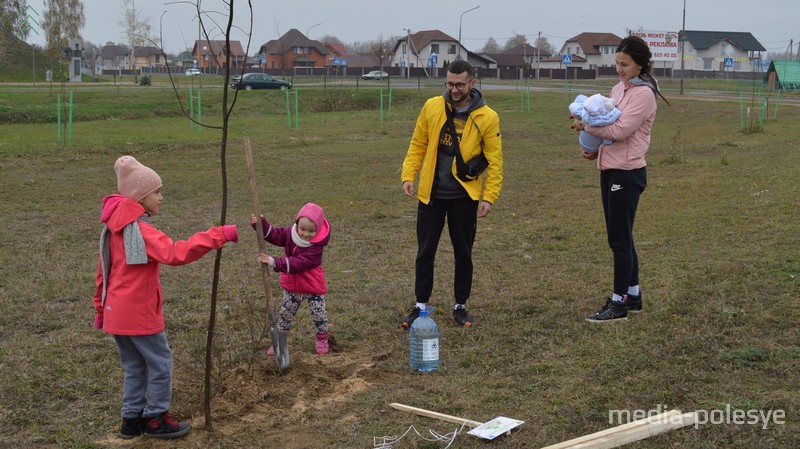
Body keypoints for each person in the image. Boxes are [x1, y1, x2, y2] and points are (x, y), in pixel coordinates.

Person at [92, 156, 239, 439]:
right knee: (160, 364)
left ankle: (131, 420)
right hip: (140, 315)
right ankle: (156, 418)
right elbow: (175, 253)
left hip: (115, 314)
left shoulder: (112, 230)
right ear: (141, 196)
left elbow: (104, 272)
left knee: (134, 367)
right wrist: (218, 234)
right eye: (157, 192)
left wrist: (101, 309)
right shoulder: (142, 232)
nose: (162, 198)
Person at [400, 60, 503, 328]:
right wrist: (408, 175)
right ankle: (420, 305)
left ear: (472, 83)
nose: (453, 89)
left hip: (464, 197)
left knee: (463, 252)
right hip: (431, 195)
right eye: (449, 83)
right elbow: (418, 143)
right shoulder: (432, 106)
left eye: (459, 84)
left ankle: (460, 305)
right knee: (425, 252)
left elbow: (495, 159)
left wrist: (489, 196)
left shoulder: (487, 117)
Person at [575, 35, 671, 323]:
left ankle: (618, 305)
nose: (619, 69)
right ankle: (634, 295)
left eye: (625, 64)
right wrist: (593, 149)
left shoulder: (643, 94)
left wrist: (586, 125)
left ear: (640, 65)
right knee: (623, 237)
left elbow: (620, 130)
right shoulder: (618, 88)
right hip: (610, 168)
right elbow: (607, 120)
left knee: (618, 240)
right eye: (616, 63)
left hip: (627, 173)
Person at [250, 202, 331, 355]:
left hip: (312, 285)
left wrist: (275, 261)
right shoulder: (291, 234)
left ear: (318, 229)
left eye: (311, 231)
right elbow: (275, 235)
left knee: (318, 314)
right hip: (293, 284)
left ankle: (322, 338)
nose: (306, 234)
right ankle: (279, 341)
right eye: (303, 229)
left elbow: (299, 263)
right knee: (285, 314)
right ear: (296, 224)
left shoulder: (316, 247)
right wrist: (261, 225)